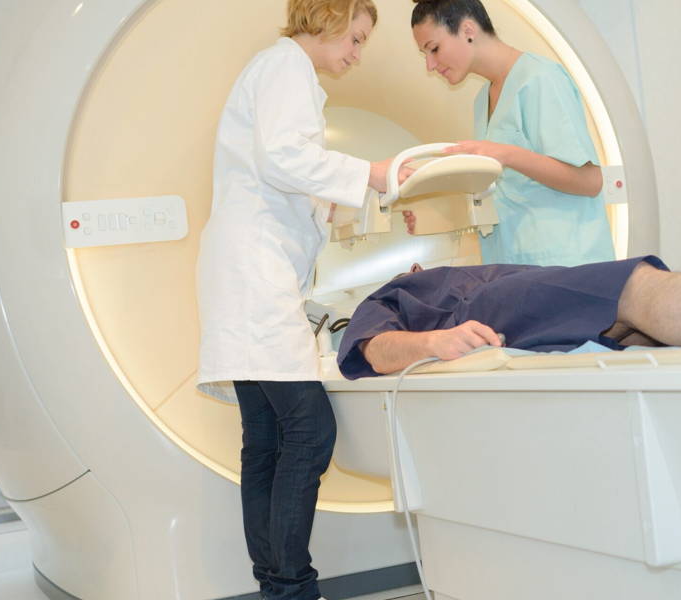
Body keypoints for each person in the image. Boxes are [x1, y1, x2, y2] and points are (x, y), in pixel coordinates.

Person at [194, 1, 409, 598]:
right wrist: (372, 172)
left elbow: (284, 172)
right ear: (328, 18)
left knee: (264, 439)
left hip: (243, 272)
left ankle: (275, 585)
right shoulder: (287, 67)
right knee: (309, 432)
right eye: (356, 38)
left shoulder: (276, 71)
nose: (357, 53)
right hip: (253, 274)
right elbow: (284, 158)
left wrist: (340, 202)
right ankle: (291, 586)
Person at [337, 181, 681, 379]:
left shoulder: (450, 276)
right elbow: (370, 346)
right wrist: (433, 341)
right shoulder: (406, 292)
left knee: (656, 343)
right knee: (634, 294)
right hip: (487, 316)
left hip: (515, 322)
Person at [401, 0, 615, 267]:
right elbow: (507, 195)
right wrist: (435, 214)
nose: (430, 65)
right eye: (425, 55)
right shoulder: (482, 101)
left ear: (468, 29)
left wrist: (506, 154)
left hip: (565, 266)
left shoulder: (539, 78)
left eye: (434, 49)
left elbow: (590, 181)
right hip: (511, 267)